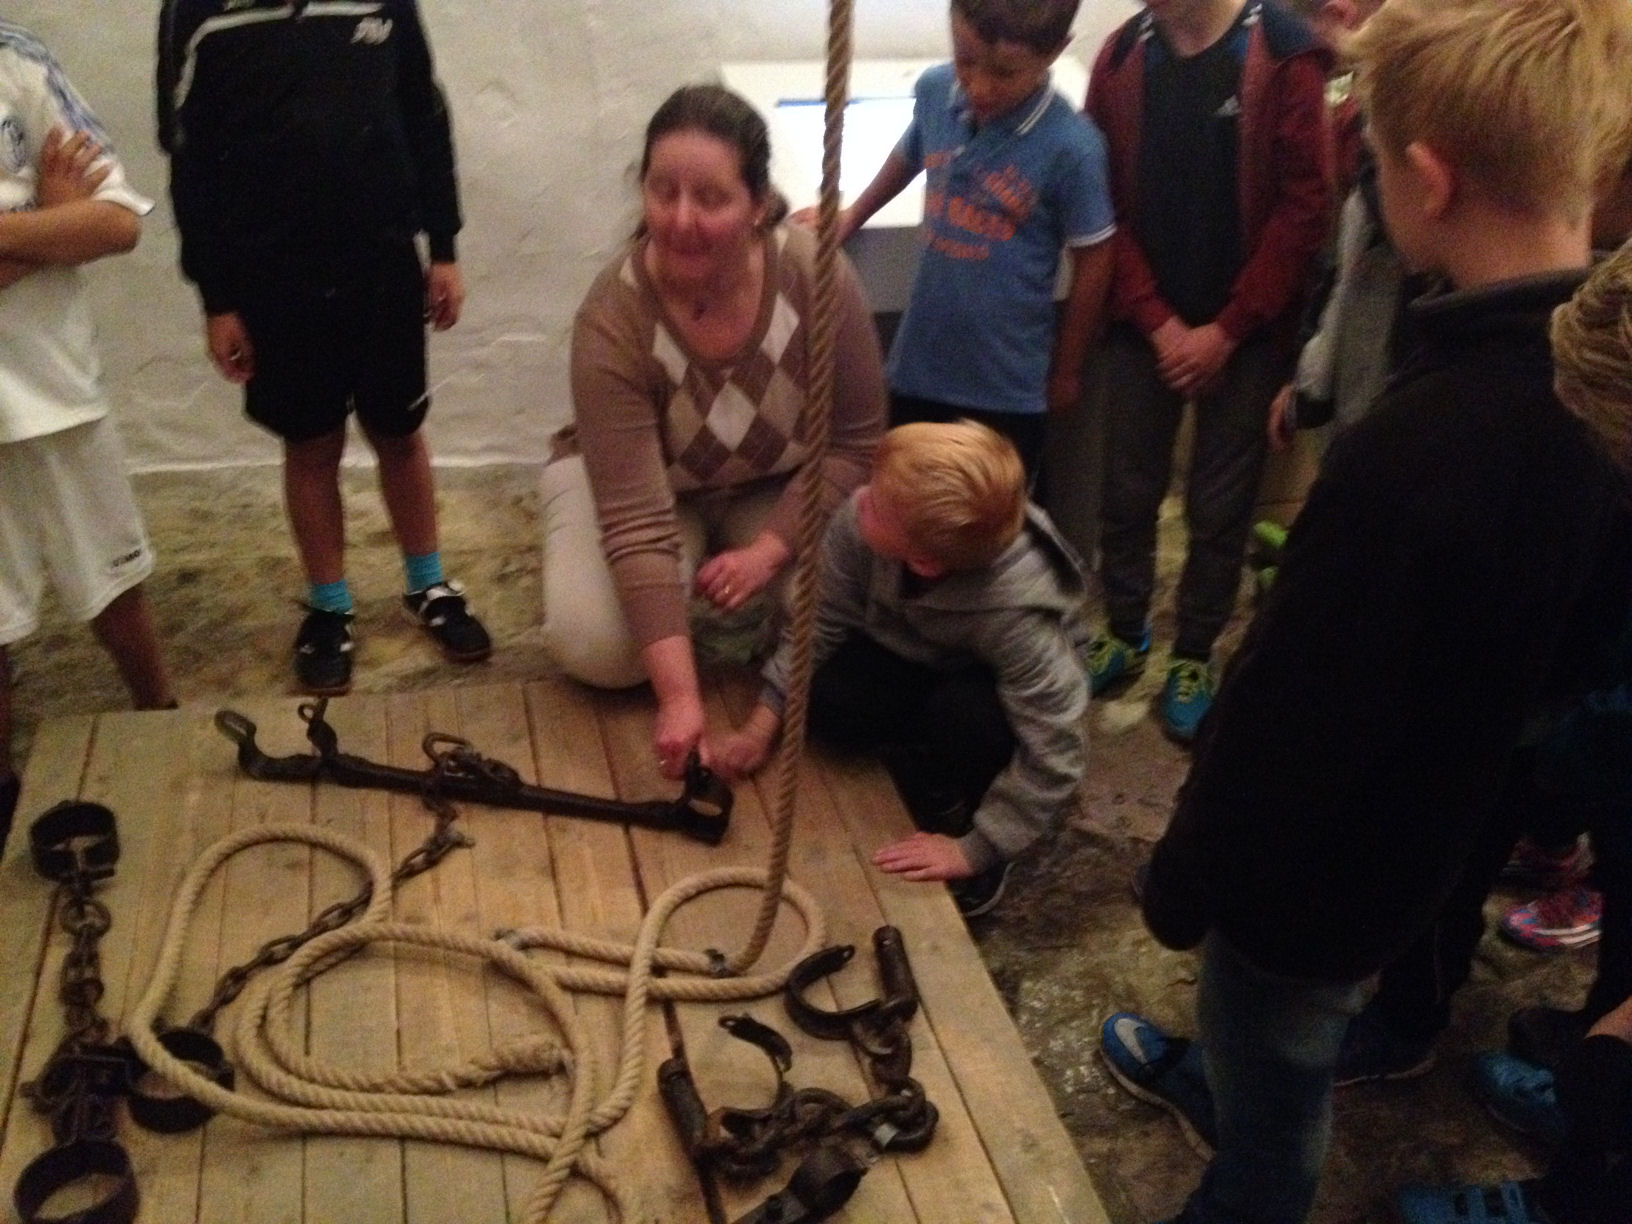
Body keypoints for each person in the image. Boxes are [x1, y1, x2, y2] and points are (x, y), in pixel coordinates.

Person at [1097, 1, 1632, 1221]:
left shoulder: (1419, 447)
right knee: (1282, 1038)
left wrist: (1185, 876)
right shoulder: (1598, 393)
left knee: (1275, 1057)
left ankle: (1246, 1188)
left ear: (1427, 180)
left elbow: (1286, 710)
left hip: (1309, 881)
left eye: (1376, 158)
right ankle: (1233, 1093)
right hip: (1427, 834)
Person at [545, 84, 885, 781]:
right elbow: (637, 518)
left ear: (758, 204)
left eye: (711, 198)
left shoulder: (815, 276)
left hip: (773, 483)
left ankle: (731, 576)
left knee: (842, 611)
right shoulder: (614, 318)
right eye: (662, 192)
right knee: (599, 649)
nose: (680, 220)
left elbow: (857, 442)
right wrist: (680, 699)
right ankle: (592, 544)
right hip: (653, 491)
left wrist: (767, 550)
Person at [157, 0, 490, 698]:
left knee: (399, 430)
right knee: (311, 444)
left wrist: (444, 248)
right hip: (273, 278)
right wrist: (217, 299)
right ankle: (330, 606)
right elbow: (190, 167)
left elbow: (425, 118)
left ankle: (428, 584)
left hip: (382, 263)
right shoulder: (196, 12)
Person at [1075, 0, 1333, 743]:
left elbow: (1304, 209)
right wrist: (1156, 320)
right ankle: (1126, 628)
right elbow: (1104, 205)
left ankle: (1194, 652)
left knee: (1221, 507)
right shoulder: (1122, 57)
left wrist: (1227, 329)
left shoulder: (1283, 53)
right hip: (1145, 328)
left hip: (1244, 335)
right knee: (1125, 490)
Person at [711, 421, 1090, 917]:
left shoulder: (1017, 616)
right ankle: (925, 756)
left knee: (968, 719)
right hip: (918, 647)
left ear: (925, 562)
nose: (859, 498)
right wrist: (759, 726)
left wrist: (976, 849)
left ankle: (978, 816)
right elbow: (819, 622)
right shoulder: (861, 521)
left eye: (875, 503)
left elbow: (1057, 746)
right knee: (830, 700)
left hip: (983, 683)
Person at [0, 20, 177, 851]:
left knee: (115, 579)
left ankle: (164, 723)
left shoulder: (17, 60)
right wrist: (47, 220)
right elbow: (76, 225)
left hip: (55, 386)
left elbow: (114, 224)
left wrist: (45, 226)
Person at [811, 0, 1115, 483]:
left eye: (1005, 73)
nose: (978, 87)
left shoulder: (1072, 148)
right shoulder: (936, 91)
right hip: (920, 367)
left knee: (989, 510)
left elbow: (1095, 258)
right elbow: (912, 150)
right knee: (906, 497)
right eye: (965, 60)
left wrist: (1067, 370)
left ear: (1055, 51)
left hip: (1006, 386)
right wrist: (852, 214)